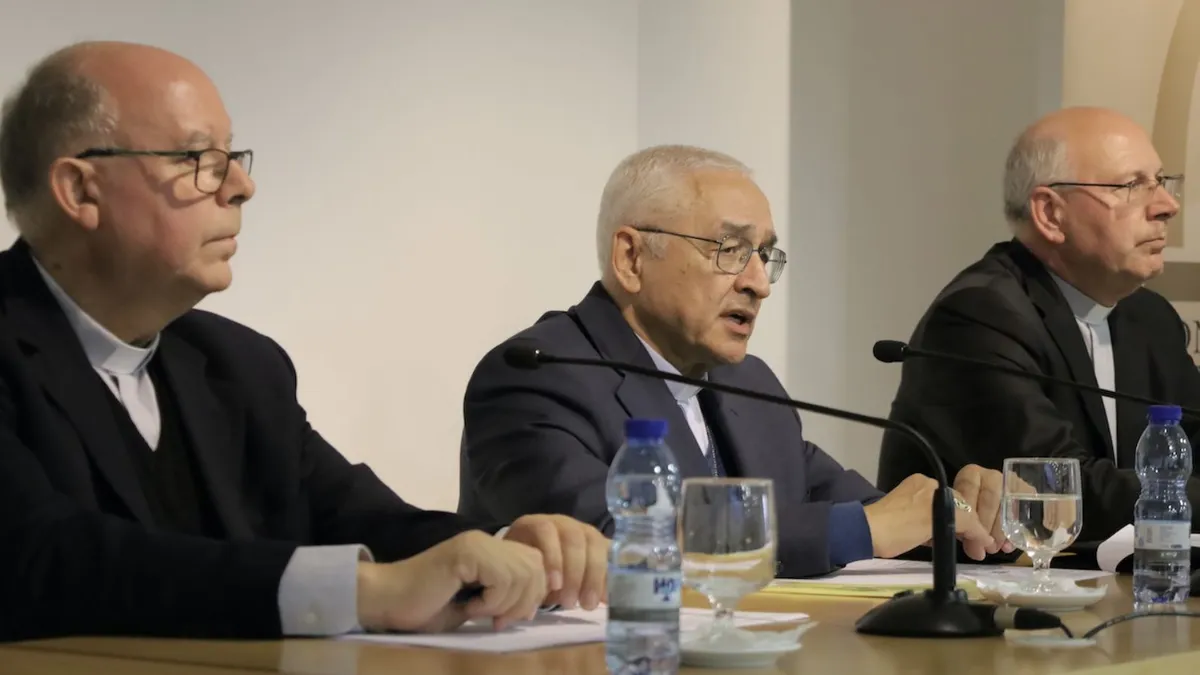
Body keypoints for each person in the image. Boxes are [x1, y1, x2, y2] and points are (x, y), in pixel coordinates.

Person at [0, 41, 608, 642]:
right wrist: (364, 592)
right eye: (196, 158)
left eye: (233, 156)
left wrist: (507, 552)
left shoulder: (238, 363)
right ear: (81, 190)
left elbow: (355, 517)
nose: (241, 186)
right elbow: (39, 557)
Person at [458, 144, 1012, 579]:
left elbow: (862, 510)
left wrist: (959, 518)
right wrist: (863, 528)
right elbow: (613, 542)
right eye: (730, 250)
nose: (758, 283)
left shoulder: (748, 382)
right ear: (631, 258)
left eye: (764, 255)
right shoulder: (535, 377)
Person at [877, 106, 1200, 544]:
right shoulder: (979, 317)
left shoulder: (1149, 318)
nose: (1167, 206)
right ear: (1050, 213)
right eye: (1131, 186)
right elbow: (1061, 493)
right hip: (985, 584)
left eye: (1160, 182)